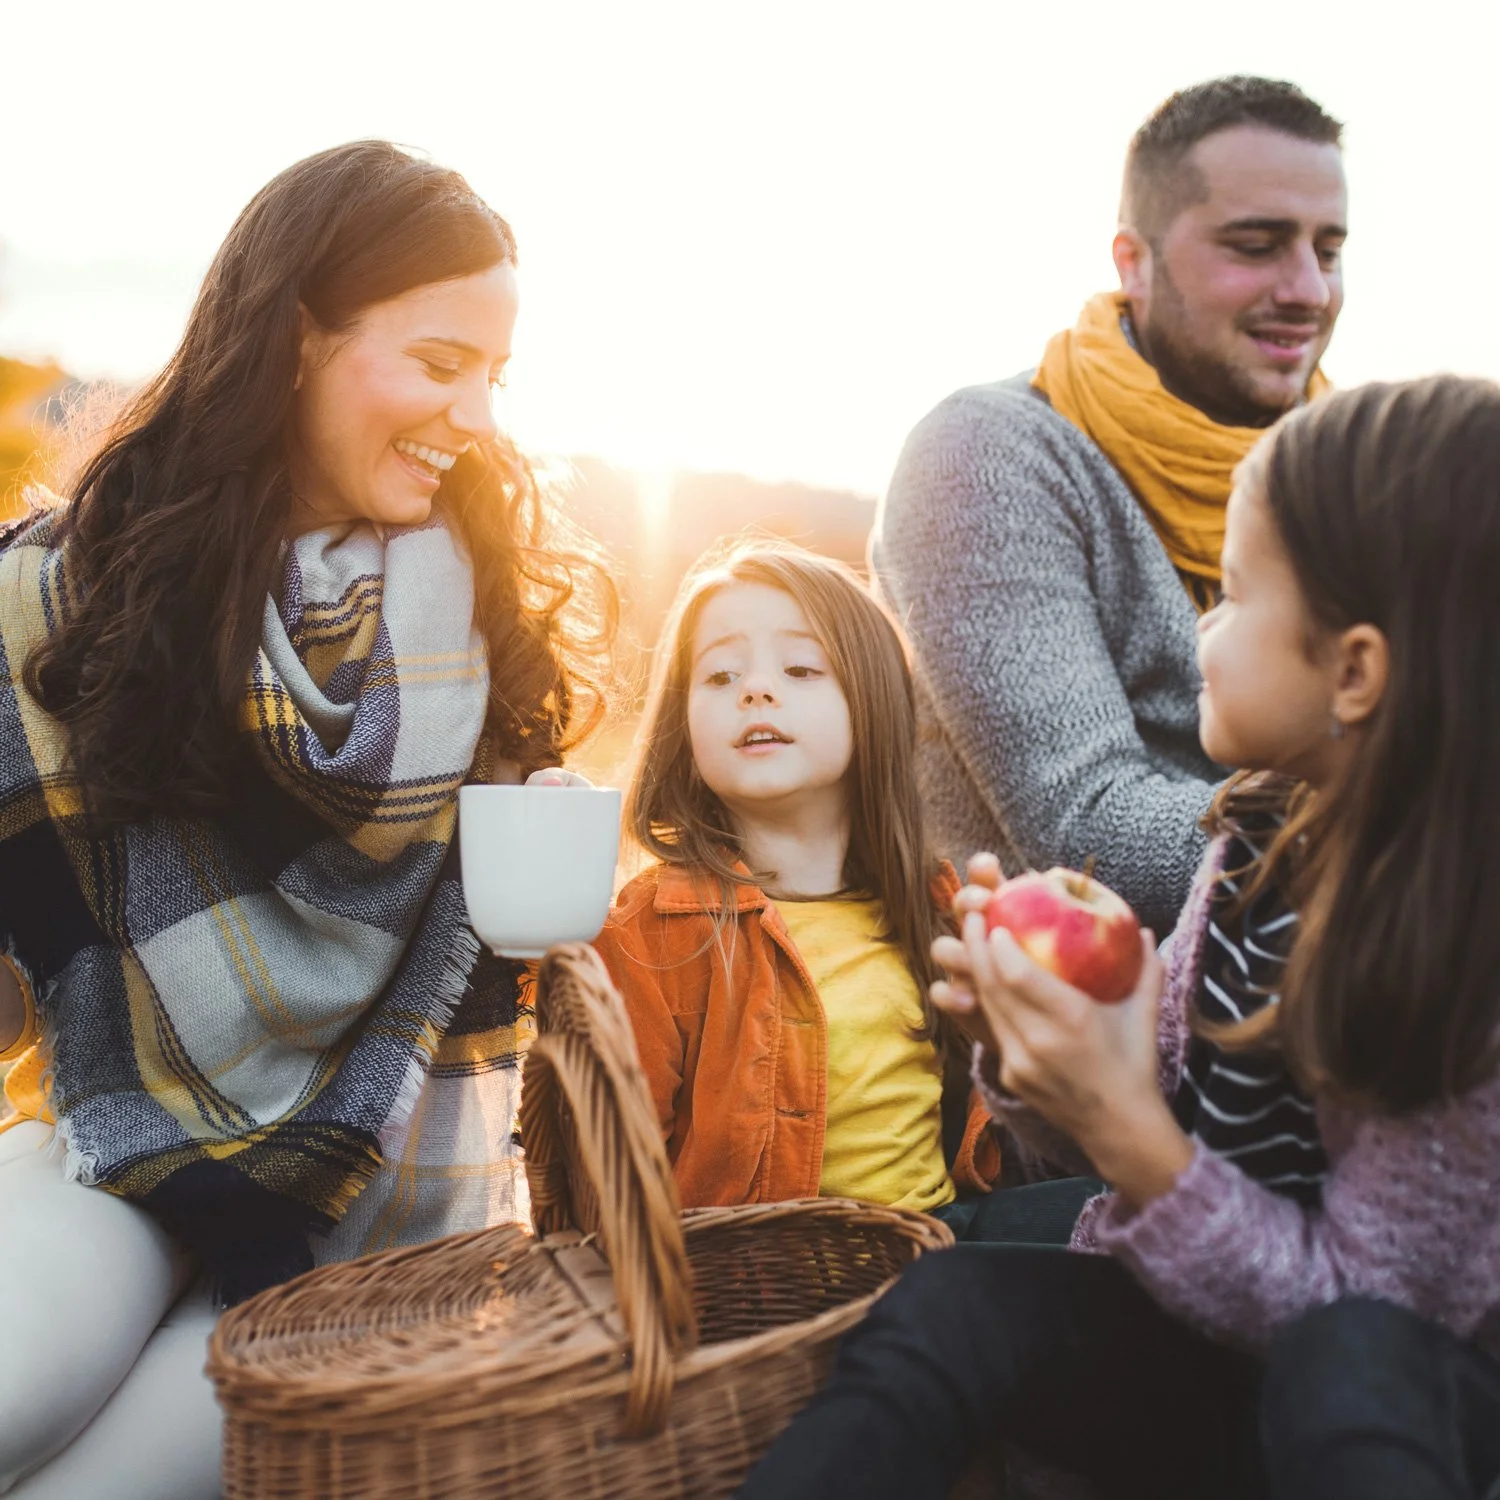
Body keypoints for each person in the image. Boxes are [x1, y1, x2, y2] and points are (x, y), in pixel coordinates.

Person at [739, 375, 1500, 1500]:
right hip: (1196, 1348)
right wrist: (1051, 1048)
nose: (1204, 626)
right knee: (947, 1303)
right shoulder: (1249, 848)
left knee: (1350, 1371)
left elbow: (1363, 1317)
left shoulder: (1458, 949)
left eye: (1235, 598)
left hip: (1378, 1408)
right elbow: (1157, 1130)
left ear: (1354, 671)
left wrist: (1136, 1134)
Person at [0, 140, 614, 1499]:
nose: (476, 414)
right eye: (441, 362)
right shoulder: (56, 595)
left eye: (495, 377)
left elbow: (511, 957)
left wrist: (548, 847)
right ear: (294, 340)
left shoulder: (485, 615)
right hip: (122, 1133)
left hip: (381, 1190)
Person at [872, 76, 1348, 936]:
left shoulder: (1356, 471)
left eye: (1329, 248)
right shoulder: (989, 453)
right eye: (1257, 245)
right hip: (1055, 1035)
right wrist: (1397, 835)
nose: (1309, 289)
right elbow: (1087, 833)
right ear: (1134, 260)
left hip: (1361, 1002)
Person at [594, 541, 1097, 1244]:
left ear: (875, 705)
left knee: (1130, 1211)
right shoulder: (651, 930)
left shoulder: (934, 903)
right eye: (719, 676)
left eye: (801, 668)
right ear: (684, 728)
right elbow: (608, 1173)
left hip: (938, 1237)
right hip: (768, 1271)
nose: (755, 690)